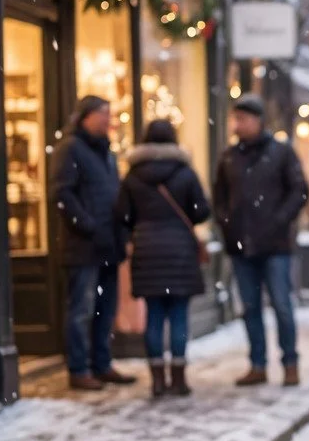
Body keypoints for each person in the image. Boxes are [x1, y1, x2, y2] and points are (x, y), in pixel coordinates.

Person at [212, 94, 308, 386]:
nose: (237, 124)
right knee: (250, 308)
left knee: (281, 305)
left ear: (258, 120)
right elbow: (218, 197)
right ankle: (258, 365)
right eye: (235, 118)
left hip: (276, 246)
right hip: (241, 247)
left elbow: (299, 191)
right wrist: (227, 223)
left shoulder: (281, 152)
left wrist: (279, 221)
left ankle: (290, 363)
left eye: (242, 118)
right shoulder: (229, 156)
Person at [116, 118, 211, 398]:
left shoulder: (133, 176)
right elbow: (202, 211)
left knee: (154, 317)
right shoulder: (185, 172)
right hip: (180, 251)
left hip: (147, 251)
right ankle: (179, 379)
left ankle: (157, 380)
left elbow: (122, 215)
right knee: (179, 316)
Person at [52, 96, 135, 392]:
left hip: (108, 244)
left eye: (109, 114)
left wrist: (121, 230)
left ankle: (102, 363)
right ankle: (79, 368)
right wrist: (87, 225)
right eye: (102, 114)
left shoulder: (106, 152)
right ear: (84, 116)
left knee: (105, 309)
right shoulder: (70, 148)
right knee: (81, 309)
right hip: (82, 247)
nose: (107, 120)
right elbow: (62, 195)